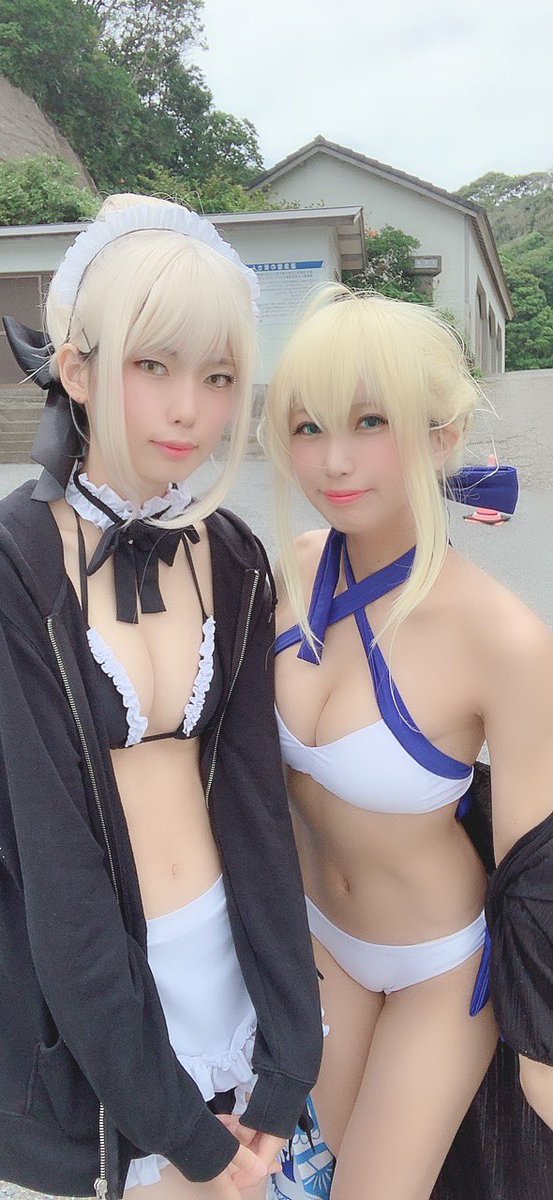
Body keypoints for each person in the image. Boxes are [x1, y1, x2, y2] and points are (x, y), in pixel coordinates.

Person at [0, 195, 322, 1200]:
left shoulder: (231, 556)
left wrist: (289, 1058)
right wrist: (186, 1135)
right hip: (94, 1014)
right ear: (78, 368)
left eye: (217, 376)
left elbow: (257, 809)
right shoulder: (16, 562)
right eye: (153, 366)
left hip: (231, 976)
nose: (189, 409)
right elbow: (55, 866)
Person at [261, 283, 553, 1200]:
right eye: (308, 427)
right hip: (318, 938)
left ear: (440, 436)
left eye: (370, 422)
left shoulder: (504, 640)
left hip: (438, 968)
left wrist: (542, 1051)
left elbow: (537, 871)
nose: (333, 460)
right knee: (325, 1181)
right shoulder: (292, 570)